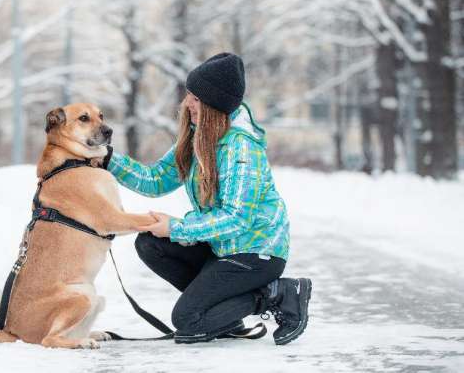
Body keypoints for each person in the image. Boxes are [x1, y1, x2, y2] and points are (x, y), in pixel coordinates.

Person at [102, 52, 312, 345]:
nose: (188, 104)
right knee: (150, 243)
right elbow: (155, 180)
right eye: (189, 95)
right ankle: (225, 314)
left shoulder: (241, 148)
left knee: (188, 322)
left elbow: (237, 219)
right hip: (222, 249)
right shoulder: (196, 137)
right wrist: (105, 157)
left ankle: (275, 294)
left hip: (256, 254)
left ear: (216, 106)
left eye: (197, 99)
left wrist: (177, 228)